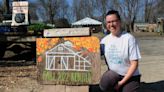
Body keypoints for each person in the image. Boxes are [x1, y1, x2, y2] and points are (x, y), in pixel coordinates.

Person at [99, 10, 141, 92]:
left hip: (130, 77)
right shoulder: (104, 41)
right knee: (104, 84)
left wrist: (120, 83)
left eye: (114, 21)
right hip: (114, 75)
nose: (111, 24)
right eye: (108, 22)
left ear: (120, 22)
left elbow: (134, 64)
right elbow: (94, 55)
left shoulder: (129, 38)